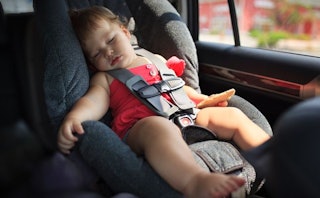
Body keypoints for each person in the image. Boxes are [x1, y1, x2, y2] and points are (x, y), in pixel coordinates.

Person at [58, 6, 270, 198]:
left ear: (124, 32)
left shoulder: (155, 59)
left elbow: (177, 88)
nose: (108, 51)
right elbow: (93, 102)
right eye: (97, 53)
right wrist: (75, 117)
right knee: (158, 127)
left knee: (231, 115)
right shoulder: (105, 78)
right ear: (92, 63)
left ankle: (273, 157)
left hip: (185, 115)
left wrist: (203, 100)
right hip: (141, 127)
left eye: (110, 40)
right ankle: (194, 181)